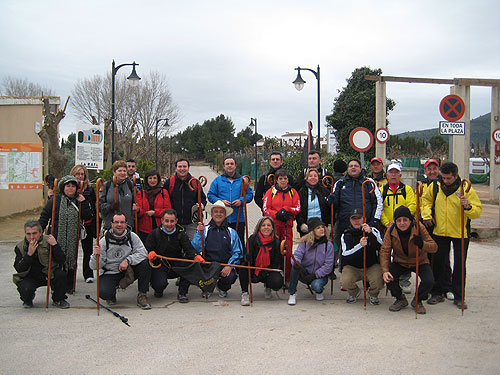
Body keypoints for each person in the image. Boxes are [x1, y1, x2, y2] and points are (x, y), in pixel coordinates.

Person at [421, 162, 482, 309]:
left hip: (460, 232)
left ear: (456, 176)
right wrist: (427, 215)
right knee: (438, 263)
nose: (445, 181)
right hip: (440, 230)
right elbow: (425, 201)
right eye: (444, 177)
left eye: (449, 178)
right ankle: (437, 292)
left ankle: (459, 296)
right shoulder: (435, 185)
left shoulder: (465, 187)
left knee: (460, 265)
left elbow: (477, 211)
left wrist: (467, 206)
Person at [39, 175, 93, 293]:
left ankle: (69, 285)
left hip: (73, 237)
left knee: (71, 259)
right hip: (57, 235)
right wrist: (39, 231)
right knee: (57, 260)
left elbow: (88, 216)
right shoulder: (55, 200)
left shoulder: (79, 200)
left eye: (73, 186)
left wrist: (83, 203)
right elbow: (44, 216)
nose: (70, 189)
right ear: (63, 187)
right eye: (68, 186)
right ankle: (56, 285)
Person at [380, 206, 437, 314]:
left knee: (429, 281)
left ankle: (418, 300)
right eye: (399, 220)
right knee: (389, 277)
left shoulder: (419, 228)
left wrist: (422, 244)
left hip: (419, 261)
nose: (402, 223)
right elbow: (385, 251)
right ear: (395, 221)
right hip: (400, 261)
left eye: (405, 220)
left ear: (410, 220)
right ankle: (400, 298)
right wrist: (384, 270)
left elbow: (434, 247)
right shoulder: (391, 230)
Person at [90, 213, 152, 309]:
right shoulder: (103, 241)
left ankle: (142, 295)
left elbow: (143, 253)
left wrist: (128, 260)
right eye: (117, 222)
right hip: (110, 272)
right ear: (112, 224)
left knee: (145, 263)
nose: (119, 225)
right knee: (104, 293)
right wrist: (96, 255)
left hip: (128, 269)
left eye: (122, 222)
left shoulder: (132, 237)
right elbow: (94, 266)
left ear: (126, 224)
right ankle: (111, 294)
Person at [145, 209, 204, 303]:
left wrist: (196, 256)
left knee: (189, 263)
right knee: (159, 284)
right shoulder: (154, 233)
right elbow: (147, 248)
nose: (169, 224)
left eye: (172, 221)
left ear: (176, 221)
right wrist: (150, 252)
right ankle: (158, 289)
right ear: (162, 221)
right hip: (160, 265)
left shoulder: (181, 233)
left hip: (176, 264)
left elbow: (188, 249)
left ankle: (182, 292)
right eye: (167, 221)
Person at [13, 219, 70, 309]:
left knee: (61, 275)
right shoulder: (20, 246)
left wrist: (55, 246)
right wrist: (29, 255)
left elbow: (62, 260)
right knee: (25, 287)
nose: (32, 237)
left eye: (34, 233)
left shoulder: (49, 241)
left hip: (49, 273)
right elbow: (19, 268)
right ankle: (28, 299)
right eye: (28, 234)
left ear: (41, 232)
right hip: (30, 276)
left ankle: (58, 299)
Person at [192, 200, 243, 298]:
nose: (218, 214)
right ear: (212, 214)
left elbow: (237, 252)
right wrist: (199, 234)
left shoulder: (231, 232)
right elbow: (195, 248)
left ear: (225, 215)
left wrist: (229, 266)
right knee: (199, 270)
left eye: (221, 212)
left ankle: (222, 287)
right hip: (208, 265)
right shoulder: (204, 229)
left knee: (231, 277)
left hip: (224, 265)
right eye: (216, 211)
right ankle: (207, 287)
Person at [380, 163, 416, 294]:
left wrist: (400, 221)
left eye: (396, 173)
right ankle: (389, 277)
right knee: (387, 252)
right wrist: (387, 223)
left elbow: (412, 205)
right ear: (387, 175)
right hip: (388, 227)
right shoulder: (382, 190)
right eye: (391, 173)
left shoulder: (407, 189)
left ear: (400, 175)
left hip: (404, 227)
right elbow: (380, 208)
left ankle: (404, 280)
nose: (393, 175)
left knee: (404, 253)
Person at [328, 159, 383, 246]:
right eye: (351, 166)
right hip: (345, 227)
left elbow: (378, 202)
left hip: (365, 226)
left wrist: (375, 220)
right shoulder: (340, 183)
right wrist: (331, 200)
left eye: (356, 166)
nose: (353, 167)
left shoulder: (369, 183)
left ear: (361, 169)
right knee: (346, 254)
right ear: (347, 169)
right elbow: (334, 204)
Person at [263, 168, 300, 281]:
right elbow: (265, 208)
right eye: (280, 179)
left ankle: (287, 277)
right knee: (273, 251)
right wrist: (276, 214)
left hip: (287, 225)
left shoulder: (293, 192)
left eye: (285, 178)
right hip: (273, 227)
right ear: (276, 180)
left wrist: (287, 210)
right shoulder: (271, 192)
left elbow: (297, 208)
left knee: (287, 252)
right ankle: (273, 276)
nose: (283, 181)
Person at [340, 208, 384, 305]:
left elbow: (382, 246)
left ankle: (373, 294)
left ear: (364, 219)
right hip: (353, 267)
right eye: (353, 219)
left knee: (378, 280)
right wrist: (360, 246)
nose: (356, 221)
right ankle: (354, 292)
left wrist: (371, 233)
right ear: (350, 220)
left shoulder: (373, 230)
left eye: (359, 218)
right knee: (345, 281)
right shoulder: (346, 234)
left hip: (371, 265)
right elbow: (345, 255)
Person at [287, 218, 334, 305]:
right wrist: (296, 262)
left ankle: (319, 291)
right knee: (295, 266)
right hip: (305, 272)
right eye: (318, 228)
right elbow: (297, 255)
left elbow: (328, 265)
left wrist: (315, 275)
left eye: (322, 227)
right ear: (312, 230)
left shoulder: (328, 245)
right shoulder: (305, 242)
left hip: (320, 275)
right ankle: (292, 293)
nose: (321, 229)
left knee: (316, 286)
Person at [207, 157, 253, 244]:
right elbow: (210, 195)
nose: (229, 166)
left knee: (239, 242)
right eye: (227, 164)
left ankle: (240, 258)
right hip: (222, 219)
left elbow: (250, 195)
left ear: (235, 166)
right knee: (223, 243)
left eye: (231, 164)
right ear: (224, 166)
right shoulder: (218, 180)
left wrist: (241, 201)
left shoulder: (243, 180)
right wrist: (221, 201)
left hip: (239, 218)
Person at [239, 216, 284, 306]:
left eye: (268, 225)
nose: (266, 227)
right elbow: (248, 255)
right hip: (254, 268)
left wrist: (266, 272)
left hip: (268, 270)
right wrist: (247, 258)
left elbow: (276, 261)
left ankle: (268, 286)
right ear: (259, 227)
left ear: (272, 228)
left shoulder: (276, 242)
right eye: (263, 225)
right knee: (243, 267)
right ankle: (245, 293)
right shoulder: (252, 239)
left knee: (277, 281)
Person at [163, 158, 207, 239]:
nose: (182, 169)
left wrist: (202, 205)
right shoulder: (170, 182)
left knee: (193, 246)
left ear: (188, 168)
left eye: (184, 166)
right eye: (180, 167)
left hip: (191, 222)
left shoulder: (195, 182)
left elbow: (202, 198)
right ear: (176, 168)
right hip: (174, 223)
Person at [70, 164, 97, 283]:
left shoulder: (89, 189)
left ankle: (88, 274)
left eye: (82, 174)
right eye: (78, 174)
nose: (80, 176)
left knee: (88, 250)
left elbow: (94, 205)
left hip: (87, 224)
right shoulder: (69, 187)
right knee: (72, 250)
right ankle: (70, 274)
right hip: (73, 223)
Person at [100, 160, 139, 230]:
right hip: (111, 225)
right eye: (120, 171)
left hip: (127, 225)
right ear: (114, 172)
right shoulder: (107, 185)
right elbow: (99, 205)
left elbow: (137, 202)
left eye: (124, 171)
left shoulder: (131, 185)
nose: (122, 173)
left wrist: (136, 209)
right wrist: (110, 207)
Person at [136, 169, 171, 244]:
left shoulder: (163, 192)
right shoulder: (141, 193)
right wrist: (138, 210)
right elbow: (140, 212)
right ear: (147, 179)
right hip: (144, 228)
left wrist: (155, 213)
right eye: (150, 178)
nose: (152, 180)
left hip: (160, 227)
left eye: (154, 178)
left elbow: (168, 210)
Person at [296, 168, 330, 237]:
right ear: (306, 178)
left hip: (321, 224)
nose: (313, 178)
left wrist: (329, 224)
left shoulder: (324, 191)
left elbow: (328, 208)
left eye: (315, 176)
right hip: (307, 225)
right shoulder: (302, 192)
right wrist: (301, 223)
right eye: (310, 176)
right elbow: (298, 210)